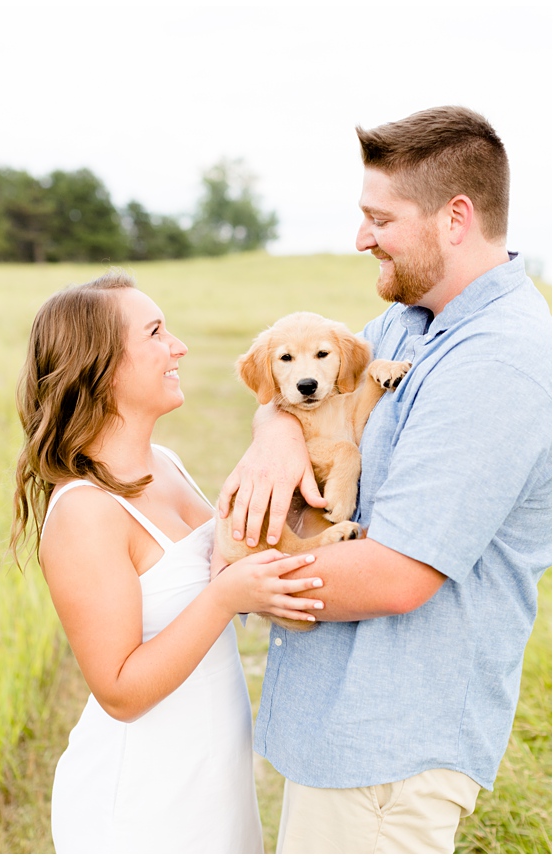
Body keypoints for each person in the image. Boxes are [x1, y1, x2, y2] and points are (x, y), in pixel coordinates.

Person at [216, 106, 550, 853]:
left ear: (454, 218)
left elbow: (397, 574)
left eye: (379, 219)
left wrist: (227, 587)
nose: (361, 238)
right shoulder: (412, 320)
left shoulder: (500, 361)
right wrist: (273, 437)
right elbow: (305, 392)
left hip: (389, 749)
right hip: (341, 731)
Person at [11, 271, 325, 852]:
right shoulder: (86, 512)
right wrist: (227, 597)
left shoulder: (167, 462)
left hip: (211, 772)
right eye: (155, 332)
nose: (177, 346)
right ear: (100, 367)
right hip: (143, 800)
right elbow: (120, 692)